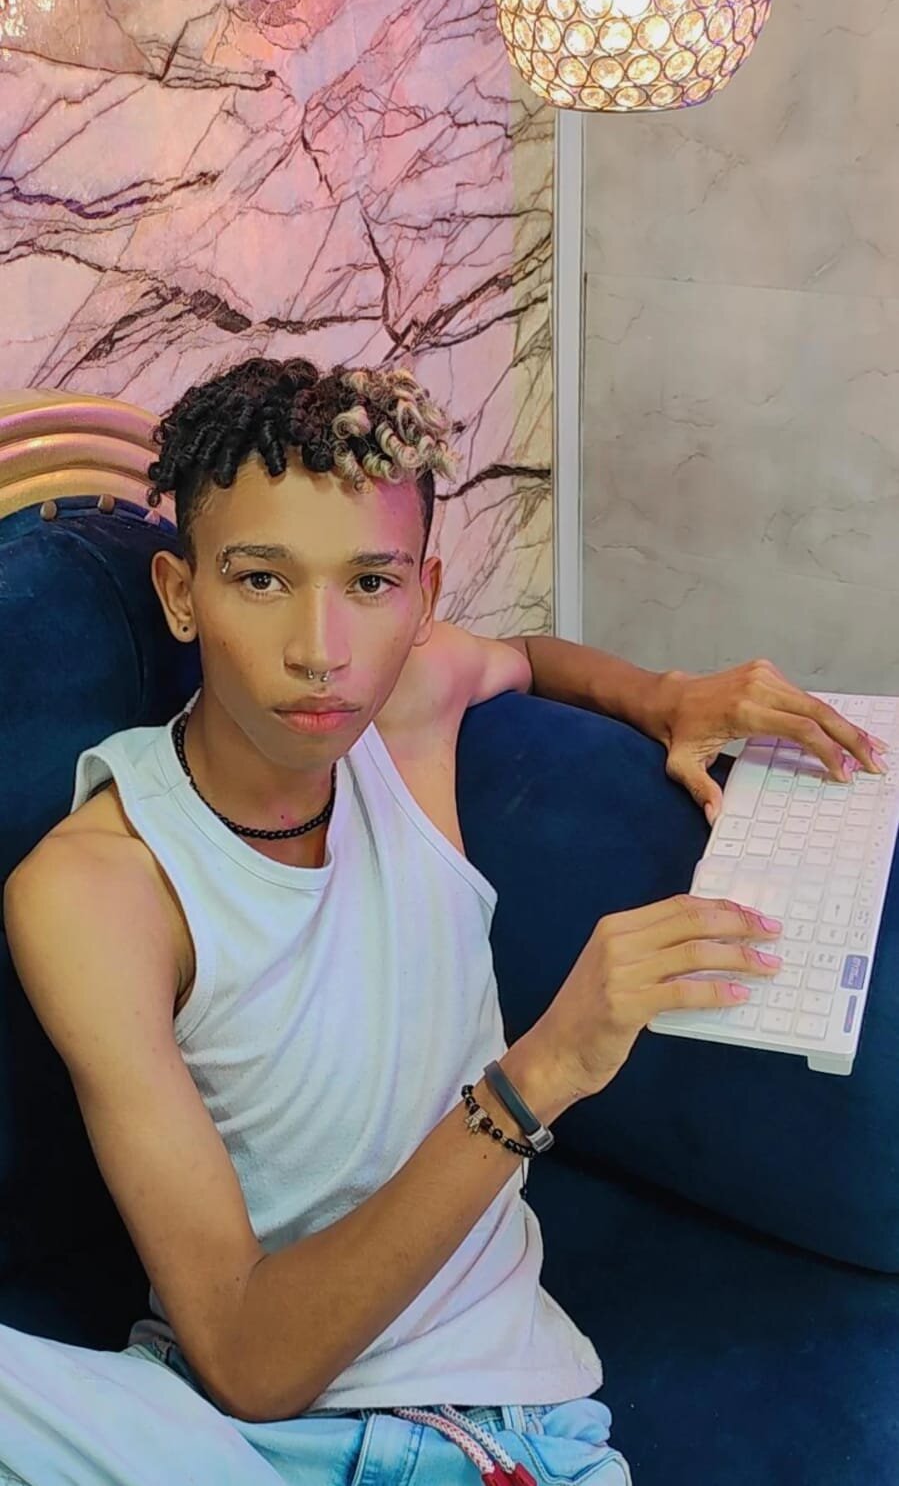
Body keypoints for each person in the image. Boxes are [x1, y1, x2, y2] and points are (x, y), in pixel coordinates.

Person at [1, 358, 885, 1486]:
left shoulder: (409, 705)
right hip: (221, 1436)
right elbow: (246, 1362)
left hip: (499, 1439)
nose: (319, 650)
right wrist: (537, 1075)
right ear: (181, 593)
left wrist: (664, 696)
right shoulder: (97, 890)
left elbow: (526, 661)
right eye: (261, 579)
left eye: (369, 583)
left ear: (421, 596)